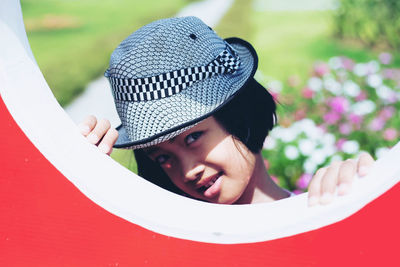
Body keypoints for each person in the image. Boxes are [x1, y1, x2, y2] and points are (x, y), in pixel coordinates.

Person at [78, 16, 374, 205]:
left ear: (240, 115)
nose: (187, 170)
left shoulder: (320, 208)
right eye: (163, 158)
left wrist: (353, 191)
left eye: (192, 138)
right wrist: (89, 183)